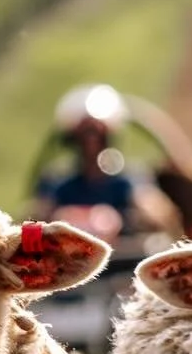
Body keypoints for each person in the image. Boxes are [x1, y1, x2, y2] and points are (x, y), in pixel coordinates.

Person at [33, 85, 181, 243]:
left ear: (108, 138)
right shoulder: (57, 182)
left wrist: (131, 213)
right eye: (85, 137)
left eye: (97, 136)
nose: (91, 145)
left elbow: (160, 218)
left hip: (123, 261)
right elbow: (34, 220)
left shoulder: (131, 180)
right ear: (73, 141)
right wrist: (59, 217)